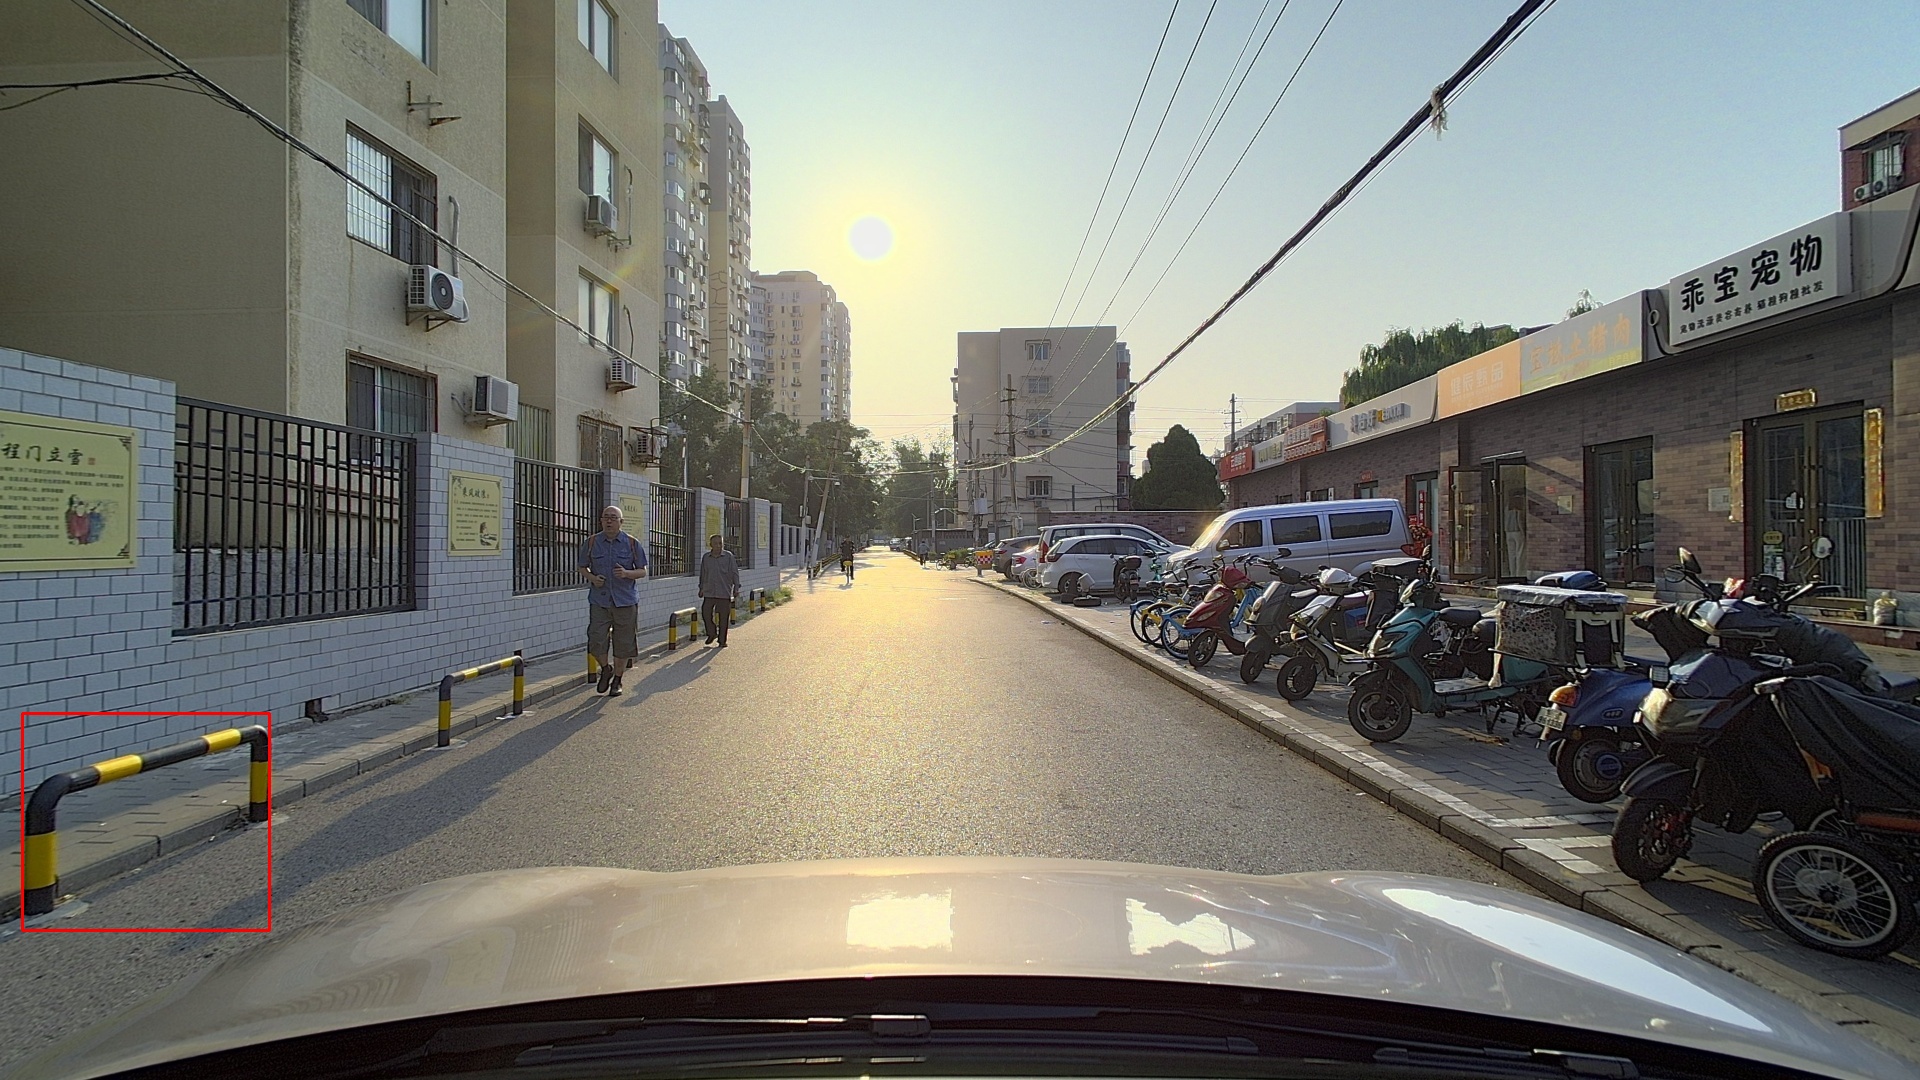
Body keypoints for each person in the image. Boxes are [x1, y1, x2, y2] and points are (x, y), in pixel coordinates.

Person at [579, 505, 648, 696]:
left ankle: (617, 679)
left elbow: (642, 571)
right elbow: (582, 567)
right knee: (596, 639)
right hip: (599, 600)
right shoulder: (592, 542)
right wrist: (593, 578)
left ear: (621, 522)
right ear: (601, 520)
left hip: (625, 601)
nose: (609, 521)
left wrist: (626, 573)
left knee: (623, 643)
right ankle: (605, 668)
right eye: (606, 517)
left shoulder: (632, 543)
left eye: (613, 518)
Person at [698, 532, 741, 647]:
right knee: (706, 613)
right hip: (709, 591)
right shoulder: (706, 558)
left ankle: (722, 640)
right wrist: (701, 588)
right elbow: (703, 574)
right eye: (715, 544)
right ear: (710, 545)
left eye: (720, 543)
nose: (718, 546)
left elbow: (734, 573)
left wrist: (736, 588)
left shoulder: (728, 556)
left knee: (723, 617)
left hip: (724, 591)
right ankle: (711, 633)